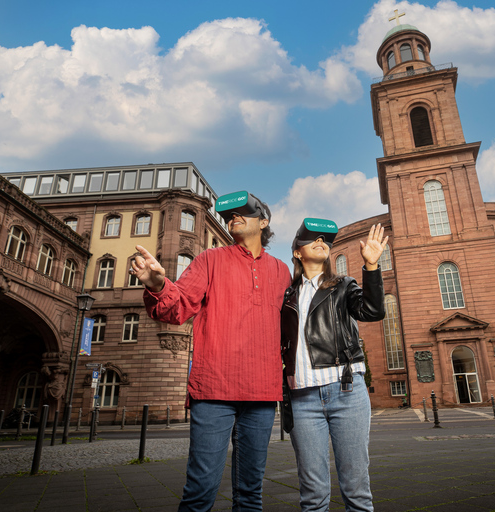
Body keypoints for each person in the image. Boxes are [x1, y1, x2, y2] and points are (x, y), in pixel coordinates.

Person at [131, 191, 291, 511]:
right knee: (201, 489)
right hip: (214, 388)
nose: (234, 217)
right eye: (229, 214)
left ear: (264, 222)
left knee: (250, 492)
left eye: (243, 211)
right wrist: (158, 285)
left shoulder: (282, 271)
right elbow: (176, 310)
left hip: (261, 392)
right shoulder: (209, 259)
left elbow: (291, 331)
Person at [281, 219, 387, 512]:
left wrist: (372, 268)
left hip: (346, 392)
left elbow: (372, 311)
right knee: (313, 496)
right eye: (311, 238)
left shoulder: (343, 285)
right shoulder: (286, 295)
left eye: (325, 239)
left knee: (356, 490)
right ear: (297, 253)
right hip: (302, 400)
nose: (320, 241)